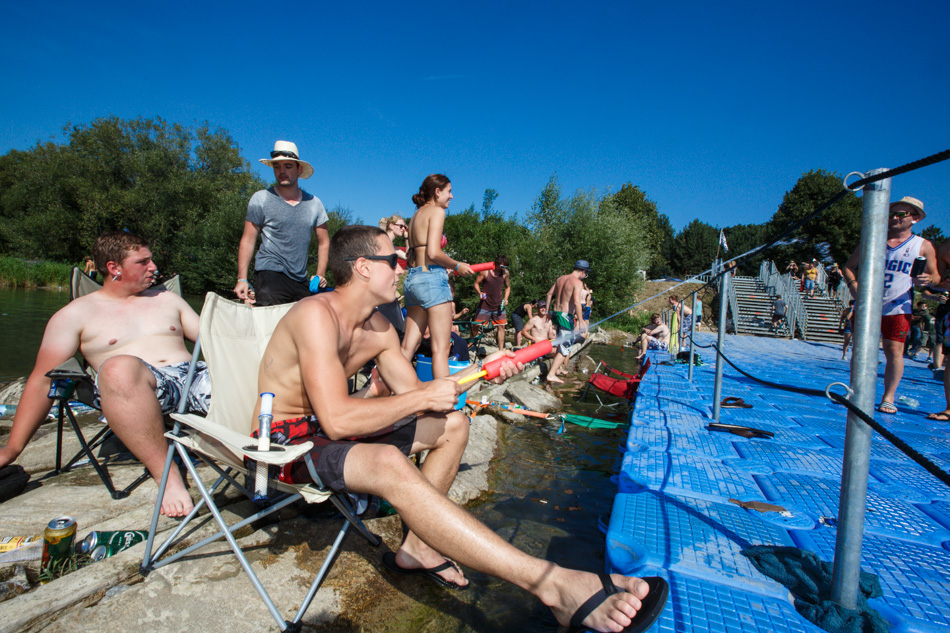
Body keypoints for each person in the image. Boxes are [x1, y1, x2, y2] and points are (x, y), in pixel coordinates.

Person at [255, 225, 667, 632]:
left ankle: (417, 547)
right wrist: (423, 398)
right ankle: (553, 585)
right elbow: (339, 420)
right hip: (285, 441)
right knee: (387, 461)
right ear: (363, 267)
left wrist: (483, 370)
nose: (401, 269)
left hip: (330, 432)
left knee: (452, 424)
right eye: (393, 261)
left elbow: (420, 395)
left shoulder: (378, 328)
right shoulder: (317, 314)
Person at [0, 232, 210, 517]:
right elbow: (42, 380)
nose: (154, 267)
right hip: (137, 387)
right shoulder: (75, 314)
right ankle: (167, 474)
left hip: (196, 378)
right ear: (114, 268)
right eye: (143, 262)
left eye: (151, 260)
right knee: (117, 367)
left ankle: (263, 458)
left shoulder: (168, 299)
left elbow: (215, 342)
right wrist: (13, 448)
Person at [844, 196, 939, 414]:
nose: (895, 218)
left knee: (894, 350)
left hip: (898, 306)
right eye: (892, 214)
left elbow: (935, 276)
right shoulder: (873, 239)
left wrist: (928, 280)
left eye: (901, 214)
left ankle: (888, 396)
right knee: (860, 350)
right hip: (867, 304)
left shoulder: (923, 245)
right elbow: (848, 266)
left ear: (915, 218)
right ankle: (855, 391)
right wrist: (853, 285)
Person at [234, 141, 329, 307]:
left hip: (300, 278)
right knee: (271, 316)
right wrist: (242, 279)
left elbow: (324, 242)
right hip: (270, 270)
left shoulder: (315, 204)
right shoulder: (260, 198)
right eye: (277, 167)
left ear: (299, 169)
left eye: (288, 166)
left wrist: (320, 274)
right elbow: (248, 239)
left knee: (304, 319)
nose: (282, 171)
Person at [401, 175, 474, 379]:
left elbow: (415, 254)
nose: (452, 196)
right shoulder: (437, 212)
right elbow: (434, 253)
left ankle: (388, 391)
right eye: (449, 191)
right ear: (437, 191)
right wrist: (457, 265)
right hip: (431, 279)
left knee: (408, 347)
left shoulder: (416, 216)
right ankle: (443, 398)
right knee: (441, 349)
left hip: (413, 279)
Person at [545, 261, 590, 384]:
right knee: (566, 346)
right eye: (586, 274)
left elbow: (549, 294)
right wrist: (581, 320)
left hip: (555, 314)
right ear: (583, 271)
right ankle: (551, 374)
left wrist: (547, 311)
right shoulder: (577, 282)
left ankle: (558, 368)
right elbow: (576, 302)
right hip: (565, 316)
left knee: (560, 342)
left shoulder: (560, 279)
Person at [376, 215, 410, 336]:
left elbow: (409, 258)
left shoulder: (392, 246)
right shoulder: (381, 243)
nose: (403, 229)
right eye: (401, 226)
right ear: (391, 226)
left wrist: (407, 237)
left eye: (405, 227)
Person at [473, 255, 511, 350]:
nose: (503, 268)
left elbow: (507, 287)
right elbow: (476, 283)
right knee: (476, 325)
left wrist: (506, 298)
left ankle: (501, 350)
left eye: (505, 266)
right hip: (485, 304)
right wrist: (480, 293)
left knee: (501, 327)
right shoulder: (485, 271)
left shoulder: (505, 273)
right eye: (502, 266)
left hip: (499, 305)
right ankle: (472, 345)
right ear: (496, 264)